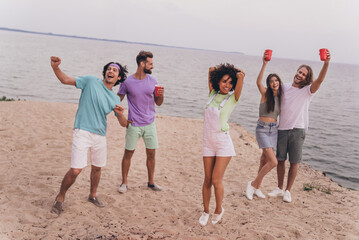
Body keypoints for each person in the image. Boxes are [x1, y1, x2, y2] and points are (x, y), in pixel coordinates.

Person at [50, 56, 128, 215]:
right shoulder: (91, 81)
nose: (110, 71)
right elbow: (65, 80)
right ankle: (60, 198)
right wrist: (56, 68)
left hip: (100, 135)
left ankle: (92, 196)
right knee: (76, 169)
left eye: (114, 70)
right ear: (105, 72)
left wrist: (120, 115)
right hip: (82, 131)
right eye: (109, 69)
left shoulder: (114, 97)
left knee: (97, 168)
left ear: (118, 77)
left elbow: (124, 124)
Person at [268, 50, 331, 203]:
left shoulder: (308, 91)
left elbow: (320, 81)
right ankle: (279, 187)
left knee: (294, 162)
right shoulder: (284, 87)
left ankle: (288, 191)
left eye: (304, 74)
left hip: (297, 130)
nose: (300, 75)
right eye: (299, 72)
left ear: (307, 78)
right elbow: (270, 90)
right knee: (281, 160)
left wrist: (326, 63)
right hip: (282, 129)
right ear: (296, 72)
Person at [199, 63, 245, 226]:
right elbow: (210, 69)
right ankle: (205, 211)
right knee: (207, 179)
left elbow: (241, 75)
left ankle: (219, 209)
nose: (227, 85)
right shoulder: (212, 93)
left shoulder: (233, 98)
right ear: (218, 81)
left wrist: (234, 73)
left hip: (223, 143)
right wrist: (221, 70)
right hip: (208, 142)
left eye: (230, 82)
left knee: (216, 179)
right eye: (224, 81)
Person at [117, 50, 164, 194]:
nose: (152, 66)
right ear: (142, 64)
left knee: (151, 154)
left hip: (150, 124)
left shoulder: (153, 81)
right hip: (134, 124)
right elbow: (116, 101)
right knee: (128, 154)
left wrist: (161, 95)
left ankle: (151, 182)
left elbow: (159, 103)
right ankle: (124, 183)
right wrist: (122, 117)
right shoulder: (127, 82)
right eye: (150, 64)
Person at [246, 51, 282, 200]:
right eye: (272, 81)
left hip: (274, 130)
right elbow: (258, 82)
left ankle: (257, 187)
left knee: (264, 160)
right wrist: (264, 63)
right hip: (262, 129)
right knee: (273, 162)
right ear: (269, 83)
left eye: (276, 80)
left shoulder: (281, 97)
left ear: (279, 82)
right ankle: (253, 184)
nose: (274, 83)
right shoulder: (265, 93)